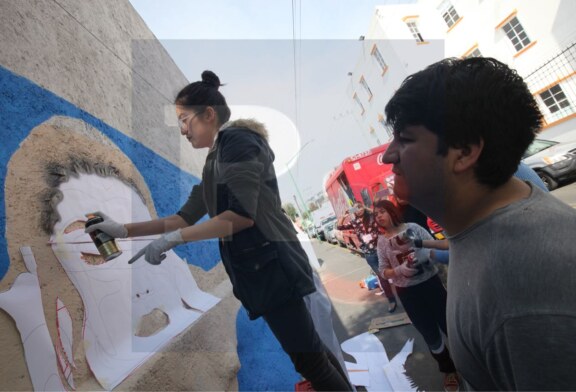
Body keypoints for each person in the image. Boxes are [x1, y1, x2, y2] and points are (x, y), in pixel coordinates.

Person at [85, 71, 352, 391]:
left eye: (185, 119)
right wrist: (121, 230)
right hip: (266, 274)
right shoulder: (216, 162)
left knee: (312, 363)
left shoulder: (238, 142)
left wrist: (173, 240)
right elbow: (182, 218)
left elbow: (241, 216)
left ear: (208, 114)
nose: (182, 129)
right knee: (314, 356)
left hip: (275, 271)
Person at [382, 57, 576, 390]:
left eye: (405, 139)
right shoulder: (476, 230)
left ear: (465, 151)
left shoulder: (523, 284)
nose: (387, 155)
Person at [373, 199, 459, 392]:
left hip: (431, 284)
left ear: (391, 211)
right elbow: (382, 270)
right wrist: (398, 271)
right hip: (408, 294)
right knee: (430, 334)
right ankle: (449, 371)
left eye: (381, 211)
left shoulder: (412, 228)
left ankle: (469, 363)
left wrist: (425, 251)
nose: (378, 216)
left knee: (451, 326)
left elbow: (437, 246)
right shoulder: (382, 241)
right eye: (375, 214)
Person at [337, 201, 398, 312]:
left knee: (393, 270)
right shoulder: (354, 222)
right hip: (369, 254)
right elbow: (339, 227)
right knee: (382, 276)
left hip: (380, 249)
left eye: (360, 207)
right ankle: (391, 300)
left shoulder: (372, 217)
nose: (359, 210)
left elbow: (378, 214)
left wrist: (365, 207)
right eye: (356, 208)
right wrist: (345, 215)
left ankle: (404, 292)